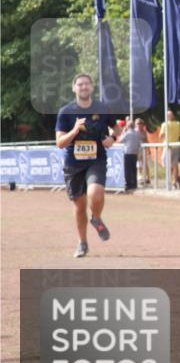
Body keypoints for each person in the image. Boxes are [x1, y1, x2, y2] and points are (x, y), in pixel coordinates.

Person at [55, 73, 117, 258]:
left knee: (96, 193)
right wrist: (75, 130)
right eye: (80, 84)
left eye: (87, 84)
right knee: (80, 206)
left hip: (96, 159)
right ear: (74, 88)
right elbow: (60, 143)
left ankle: (96, 218)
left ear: (92, 87)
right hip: (73, 164)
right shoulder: (66, 112)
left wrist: (113, 138)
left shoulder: (102, 108)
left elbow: (117, 127)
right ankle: (82, 243)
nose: (83, 87)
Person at [158, 111, 180, 188]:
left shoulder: (164, 124)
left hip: (168, 146)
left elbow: (161, 135)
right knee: (175, 165)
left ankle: (169, 180)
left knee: (167, 164)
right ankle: (175, 181)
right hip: (176, 146)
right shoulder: (178, 124)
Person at [118, 119, 142, 191]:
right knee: (134, 169)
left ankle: (128, 184)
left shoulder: (127, 133)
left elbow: (120, 141)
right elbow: (139, 143)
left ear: (127, 126)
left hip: (128, 153)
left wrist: (123, 131)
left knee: (127, 169)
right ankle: (134, 184)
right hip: (135, 153)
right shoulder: (137, 133)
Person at [135, 118, 151, 185]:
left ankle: (148, 178)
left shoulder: (144, 132)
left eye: (141, 123)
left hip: (143, 150)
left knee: (145, 164)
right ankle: (139, 177)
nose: (139, 125)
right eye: (138, 123)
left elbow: (146, 140)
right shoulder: (134, 131)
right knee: (138, 164)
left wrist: (149, 149)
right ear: (136, 124)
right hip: (136, 150)